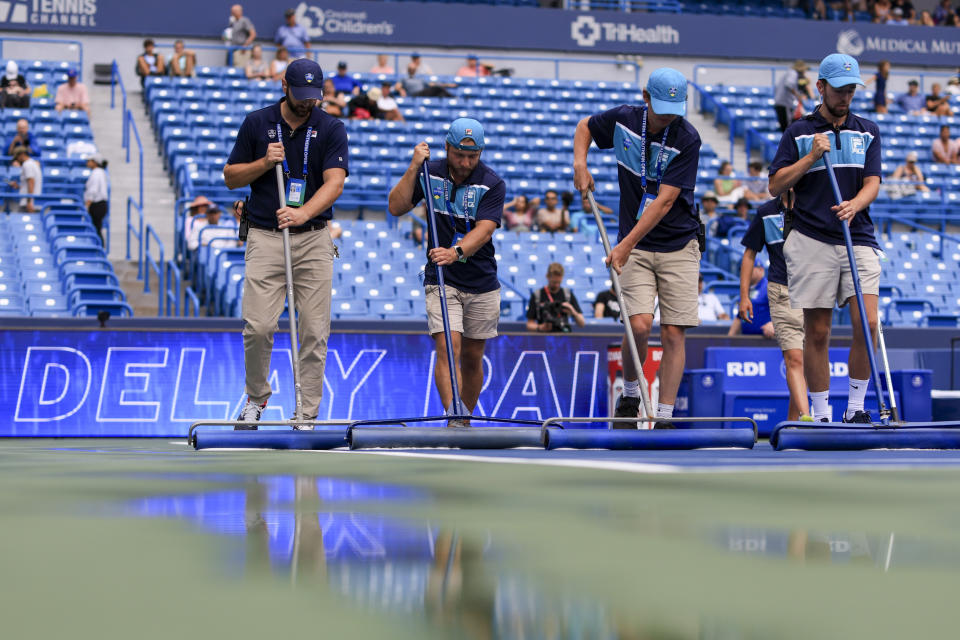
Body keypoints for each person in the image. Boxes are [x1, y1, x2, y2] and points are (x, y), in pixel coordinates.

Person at [573, 66, 702, 429]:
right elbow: (585, 127)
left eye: (674, 111)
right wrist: (580, 164)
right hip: (638, 247)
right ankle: (631, 394)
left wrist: (624, 244)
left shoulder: (688, 139)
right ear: (646, 98)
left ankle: (664, 416)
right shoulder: (625, 120)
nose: (668, 119)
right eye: (661, 110)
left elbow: (662, 203)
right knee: (639, 325)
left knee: (674, 331)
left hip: (678, 244)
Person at [223, 58, 347, 430]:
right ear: (283, 86)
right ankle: (257, 395)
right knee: (258, 326)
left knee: (313, 330)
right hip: (264, 235)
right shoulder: (257, 123)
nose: (309, 103)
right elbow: (230, 177)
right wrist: (264, 162)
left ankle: (306, 413)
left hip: (312, 237)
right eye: (301, 95)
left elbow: (335, 182)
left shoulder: (331, 127)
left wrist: (303, 212)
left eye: (315, 96)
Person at [769, 53, 882, 424]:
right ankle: (820, 416)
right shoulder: (798, 132)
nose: (846, 97)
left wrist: (855, 205)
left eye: (851, 90)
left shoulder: (868, 130)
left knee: (868, 322)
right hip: (811, 238)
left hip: (858, 235)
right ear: (821, 87)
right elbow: (775, 185)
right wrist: (811, 157)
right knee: (817, 332)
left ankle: (855, 408)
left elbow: (873, 182)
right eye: (839, 90)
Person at [387, 118, 505, 428]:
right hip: (441, 279)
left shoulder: (492, 183)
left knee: (472, 357)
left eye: (473, 156)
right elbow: (395, 207)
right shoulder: (430, 171)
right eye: (459, 155)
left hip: (482, 282)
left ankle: (464, 420)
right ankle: (454, 417)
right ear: (447, 148)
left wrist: (457, 252)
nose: (466, 162)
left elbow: (486, 228)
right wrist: (414, 167)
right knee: (447, 348)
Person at [736, 192, 810, 421]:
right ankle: (808, 418)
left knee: (804, 362)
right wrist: (744, 295)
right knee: (794, 359)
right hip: (782, 291)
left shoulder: (815, 205)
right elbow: (749, 255)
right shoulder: (765, 212)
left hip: (815, 292)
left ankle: (793, 423)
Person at [525, 263, 586, 332]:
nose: (557, 285)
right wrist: (540, 327)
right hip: (544, 337)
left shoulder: (567, 295)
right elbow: (529, 324)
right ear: (547, 276)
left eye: (559, 282)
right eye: (554, 282)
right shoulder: (537, 295)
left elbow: (582, 324)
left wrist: (573, 312)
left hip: (564, 337)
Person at [773, 60, 813, 132]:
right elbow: (789, 85)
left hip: (780, 102)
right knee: (788, 129)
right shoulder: (793, 73)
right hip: (785, 103)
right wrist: (798, 95)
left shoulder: (787, 73)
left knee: (785, 128)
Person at [84, 154, 109, 245]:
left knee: (96, 228)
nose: (87, 162)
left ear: (94, 162)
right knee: (97, 227)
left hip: (97, 204)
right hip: (101, 204)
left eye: (89, 161)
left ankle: (99, 248)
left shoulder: (96, 173)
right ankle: (100, 247)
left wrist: (88, 203)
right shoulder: (101, 172)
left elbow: (93, 190)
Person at [9, 146, 42, 213]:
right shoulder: (32, 163)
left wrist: (29, 202)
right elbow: (29, 183)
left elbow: (31, 181)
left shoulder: (27, 164)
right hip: (33, 202)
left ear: (22, 154)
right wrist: (18, 186)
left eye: (17, 156)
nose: (17, 159)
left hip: (27, 203)